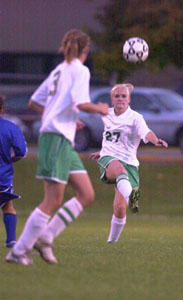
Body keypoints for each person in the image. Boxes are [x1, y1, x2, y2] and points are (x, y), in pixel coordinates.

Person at [6, 29, 108, 265]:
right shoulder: (80, 70)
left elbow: (34, 102)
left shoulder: (58, 70)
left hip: (62, 139)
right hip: (55, 138)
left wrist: (64, 114)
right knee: (52, 200)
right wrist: (101, 109)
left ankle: (46, 237)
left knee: (86, 194)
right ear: (86, 50)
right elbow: (82, 103)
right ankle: (19, 251)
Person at [90, 83, 168, 244]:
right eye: (116, 96)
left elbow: (147, 132)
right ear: (112, 99)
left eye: (123, 96)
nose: (120, 99)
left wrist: (156, 140)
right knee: (119, 170)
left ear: (129, 100)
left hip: (130, 163)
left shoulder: (135, 118)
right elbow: (108, 135)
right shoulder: (106, 113)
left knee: (119, 208)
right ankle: (133, 197)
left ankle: (111, 242)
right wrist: (102, 151)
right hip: (108, 158)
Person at [0, 95, 27, 248]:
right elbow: (21, 152)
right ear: (2, 109)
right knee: (7, 205)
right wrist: (11, 158)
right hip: (2, 176)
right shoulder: (10, 127)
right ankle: (11, 240)